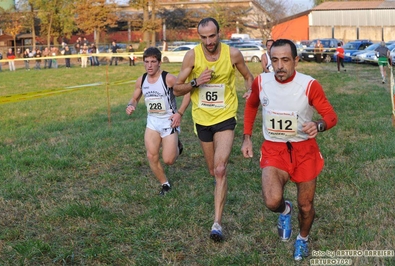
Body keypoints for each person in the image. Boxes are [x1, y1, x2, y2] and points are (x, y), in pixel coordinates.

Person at [241, 39, 338, 261]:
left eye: (285, 60)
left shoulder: (309, 85)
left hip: (304, 150)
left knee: (306, 206)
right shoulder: (261, 82)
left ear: (296, 60)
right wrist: (247, 138)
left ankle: (302, 239)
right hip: (274, 149)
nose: (280, 66)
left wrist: (318, 125)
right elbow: (252, 105)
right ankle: (285, 211)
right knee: (272, 201)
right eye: (275, 60)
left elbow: (331, 116)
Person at [172, 17, 254, 242]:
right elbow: (177, 89)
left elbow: (248, 77)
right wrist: (197, 82)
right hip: (202, 120)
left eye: (212, 36)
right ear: (199, 37)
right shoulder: (192, 56)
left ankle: (217, 223)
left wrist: (249, 90)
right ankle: (219, 188)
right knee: (212, 170)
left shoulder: (233, 54)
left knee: (220, 169)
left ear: (220, 33)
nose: (208, 41)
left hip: (226, 116)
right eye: (204, 37)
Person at [126, 47, 191, 195]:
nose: (149, 65)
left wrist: (179, 113)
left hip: (169, 121)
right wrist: (131, 105)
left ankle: (177, 145)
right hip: (153, 122)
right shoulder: (141, 80)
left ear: (159, 63)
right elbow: (135, 98)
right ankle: (165, 184)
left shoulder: (168, 78)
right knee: (151, 155)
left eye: (153, 62)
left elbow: (188, 93)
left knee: (168, 160)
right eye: (146, 62)